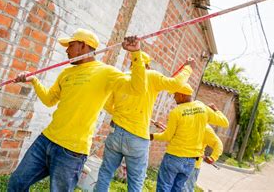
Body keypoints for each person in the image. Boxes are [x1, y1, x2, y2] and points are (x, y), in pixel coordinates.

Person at [7, 28, 147, 191]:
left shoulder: (106, 72)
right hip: (46, 140)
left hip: (72, 152)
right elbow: (49, 100)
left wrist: (136, 53)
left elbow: (138, 89)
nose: (67, 50)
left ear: (83, 46)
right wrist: (34, 81)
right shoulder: (66, 73)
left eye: (70, 45)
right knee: (17, 182)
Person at [95, 54, 195, 192]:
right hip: (137, 138)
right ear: (147, 65)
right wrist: (188, 68)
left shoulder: (121, 77)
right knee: (136, 180)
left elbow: (108, 105)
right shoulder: (151, 76)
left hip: (116, 132)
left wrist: (122, 114)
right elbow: (176, 84)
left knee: (105, 172)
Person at [150, 84, 229, 192]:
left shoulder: (176, 112)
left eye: (175, 94)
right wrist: (216, 110)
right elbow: (225, 122)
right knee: (177, 189)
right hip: (190, 162)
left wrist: (152, 136)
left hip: (174, 157)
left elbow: (168, 136)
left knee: (164, 188)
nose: (174, 97)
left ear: (182, 95)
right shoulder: (203, 108)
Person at [182, 124, 223, 192]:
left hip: (193, 165)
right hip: (179, 160)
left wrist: (213, 158)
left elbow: (218, 144)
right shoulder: (188, 121)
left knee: (186, 189)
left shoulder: (205, 128)